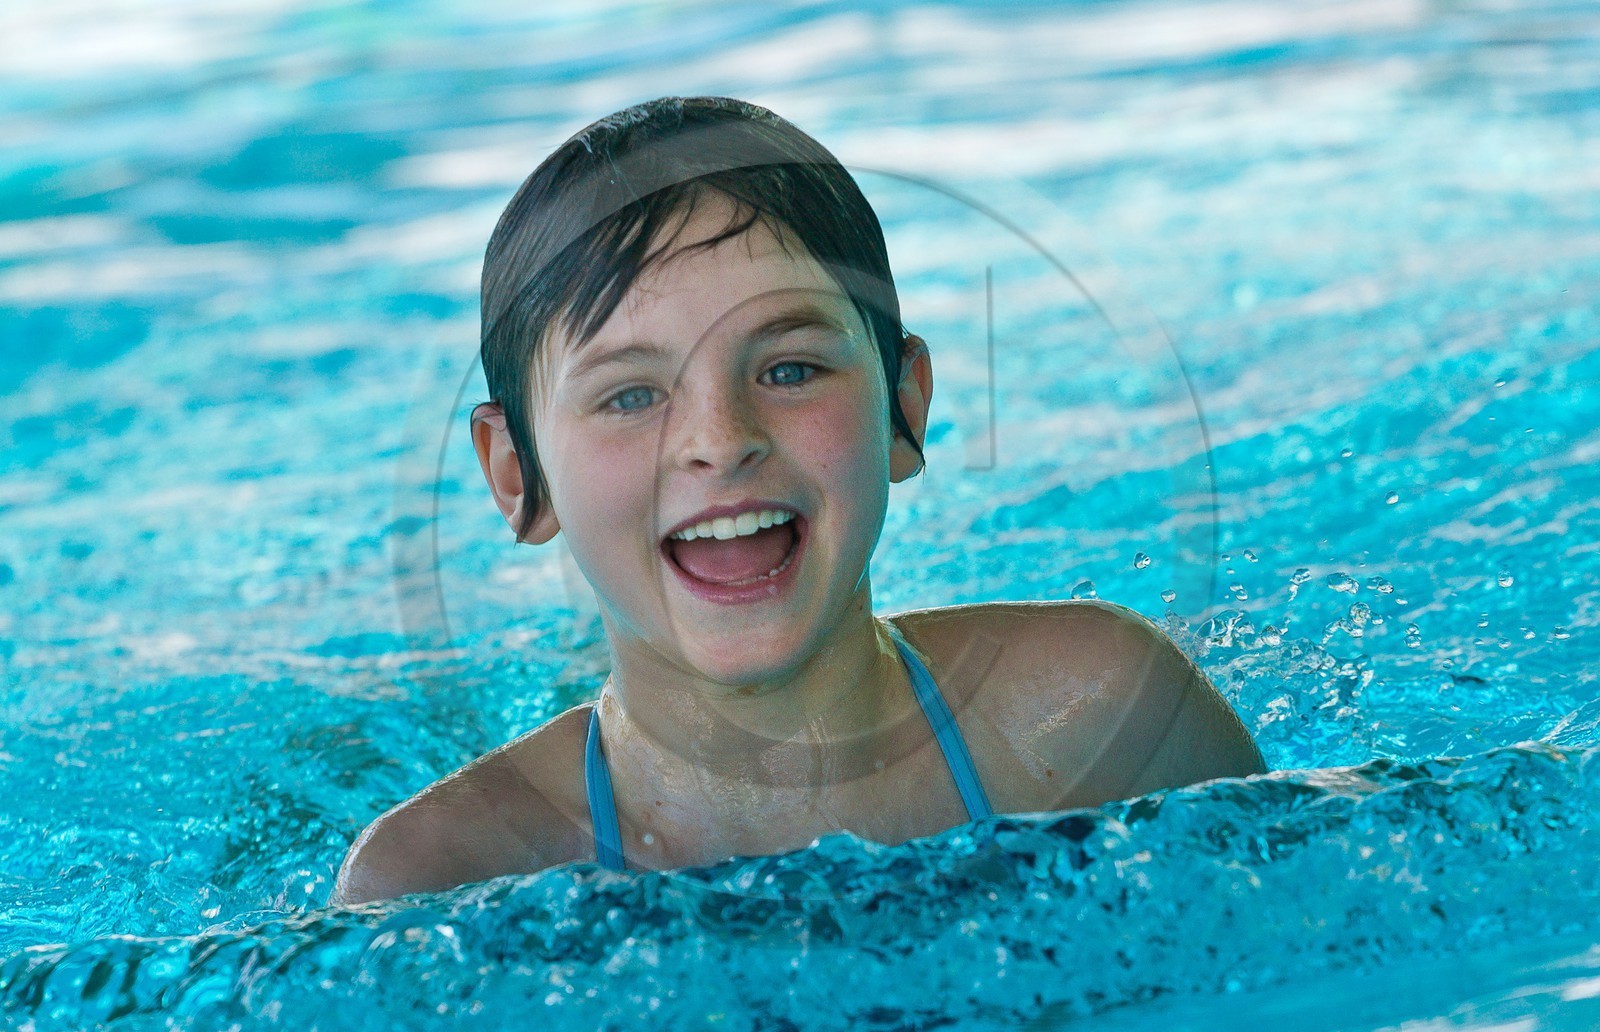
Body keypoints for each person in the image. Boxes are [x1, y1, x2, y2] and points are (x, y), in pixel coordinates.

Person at [332, 96, 1265, 906]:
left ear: (904, 410)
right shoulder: (441, 879)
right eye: (631, 395)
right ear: (515, 473)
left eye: (788, 368)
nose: (718, 437)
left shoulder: (1101, 716)